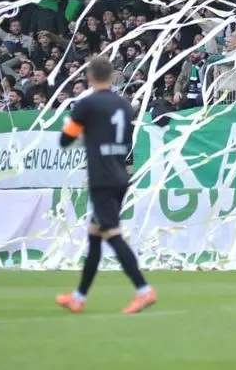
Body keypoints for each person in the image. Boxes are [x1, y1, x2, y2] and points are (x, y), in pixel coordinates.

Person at [55, 55, 156, 315]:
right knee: (95, 236)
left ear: (89, 77)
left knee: (111, 234)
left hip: (101, 177)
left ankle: (144, 290)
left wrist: (78, 130)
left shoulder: (87, 104)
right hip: (120, 173)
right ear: (111, 77)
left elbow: (66, 140)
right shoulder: (123, 104)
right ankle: (78, 297)